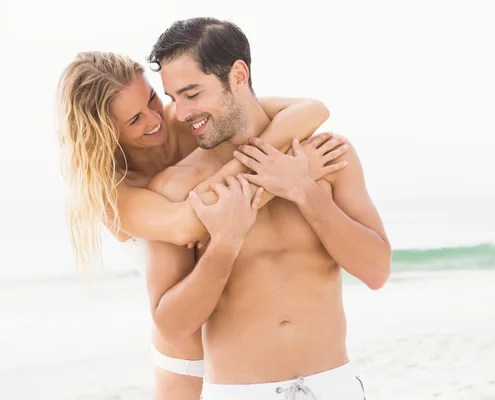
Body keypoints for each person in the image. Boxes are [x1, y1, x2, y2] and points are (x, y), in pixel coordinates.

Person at [57, 51, 347, 400]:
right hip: (186, 351)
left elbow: (312, 110)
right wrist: (285, 177)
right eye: (134, 119)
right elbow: (187, 226)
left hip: (242, 337)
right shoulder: (112, 190)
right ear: (103, 133)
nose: (155, 119)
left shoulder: (185, 118)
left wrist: (276, 166)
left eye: (152, 98)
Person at [144, 17, 391, 399]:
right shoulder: (177, 188)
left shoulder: (326, 155)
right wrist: (225, 242)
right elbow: (173, 328)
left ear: (238, 75)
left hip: (333, 386)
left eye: (192, 94)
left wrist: (303, 190)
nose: (180, 112)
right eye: (174, 98)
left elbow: (376, 271)